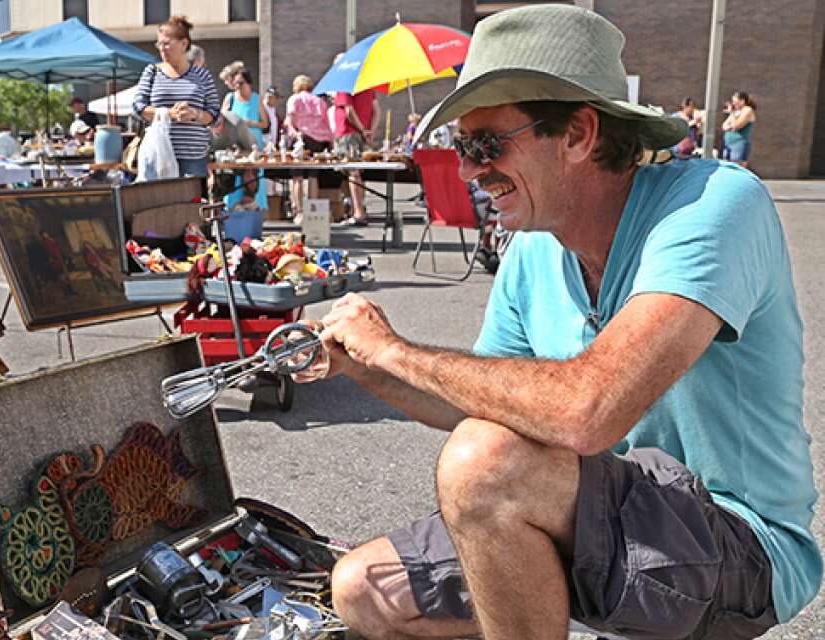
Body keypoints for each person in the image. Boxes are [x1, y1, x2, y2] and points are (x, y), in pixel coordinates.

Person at [300, 5, 820, 640]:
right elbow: (482, 407)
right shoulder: (533, 250)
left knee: (484, 467)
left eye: (486, 144)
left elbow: (585, 412)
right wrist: (363, 365)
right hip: (594, 511)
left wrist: (395, 351)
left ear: (578, 134)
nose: (467, 169)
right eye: (462, 147)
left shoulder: (714, 205)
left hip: (737, 542)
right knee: (363, 590)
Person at [132, 15, 220, 177]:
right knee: (160, 202)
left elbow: (214, 114)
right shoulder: (152, 72)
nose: (161, 48)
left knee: (193, 202)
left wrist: (195, 114)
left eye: (167, 43)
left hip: (193, 159)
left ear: (184, 43)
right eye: (159, 43)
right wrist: (169, 113)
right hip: (158, 157)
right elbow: (138, 107)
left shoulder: (202, 76)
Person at [285, 74, 334, 224]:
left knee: (298, 177)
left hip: (302, 138)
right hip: (319, 141)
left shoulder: (295, 99)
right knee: (313, 176)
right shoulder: (319, 101)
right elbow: (327, 122)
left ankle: (299, 212)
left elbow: (290, 121)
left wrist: (293, 134)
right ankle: (312, 211)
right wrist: (331, 142)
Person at [333, 81, 380, 226]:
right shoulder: (367, 86)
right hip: (359, 134)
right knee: (356, 172)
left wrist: (362, 130)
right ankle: (356, 209)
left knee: (352, 172)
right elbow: (377, 110)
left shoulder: (345, 86)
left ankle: (358, 212)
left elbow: (348, 111)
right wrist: (370, 130)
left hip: (348, 133)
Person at [224, 66, 269, 211]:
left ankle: (255, 209)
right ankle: (232, 208)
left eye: (241, 83)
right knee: (235, 177)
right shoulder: (230, 98)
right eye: (235, 83)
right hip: (236, 145)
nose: (238, 87)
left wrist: (249, 123)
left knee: (254, 177)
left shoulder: (257, 99)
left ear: (248, 83)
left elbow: (265, 123)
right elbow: (222, 119)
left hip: (254, 145)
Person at [722, 91, 757, 169]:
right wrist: (732, 120)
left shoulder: (747, 110)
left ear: (742, 101)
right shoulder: (736, 112)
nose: (733, 104)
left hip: (738, 143)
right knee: (727, 168)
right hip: (728, 143)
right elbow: (724, 126)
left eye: (735, 102)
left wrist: (732, 114)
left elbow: (736, 125)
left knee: (736, 169)